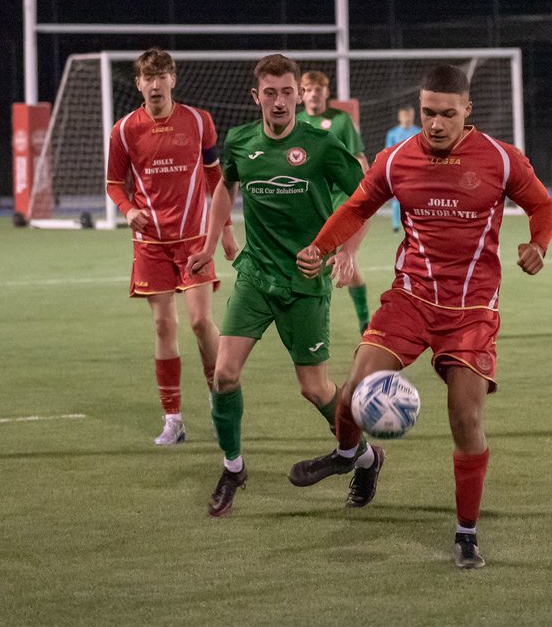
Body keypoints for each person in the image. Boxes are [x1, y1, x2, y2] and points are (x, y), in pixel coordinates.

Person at [293, 64, 552, 569]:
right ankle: (352, 457)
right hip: (411, 299)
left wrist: (538, 245)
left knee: (466, 416)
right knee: (350, 394)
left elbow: (543, 206)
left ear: (467, 112)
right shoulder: (397, 160)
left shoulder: (501, 159)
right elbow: (358, 205)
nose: (435, 124)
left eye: (447, 114)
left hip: (472, 309)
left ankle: (465, 533)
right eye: (427, 113)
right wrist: (321, 246)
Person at [187, 54, 380, 518]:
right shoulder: (240, 141)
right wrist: (211, 243)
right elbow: (223, 189)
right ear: (257, 97)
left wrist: (347, 252)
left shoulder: (321, 143)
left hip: (305, 281)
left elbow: (365, 197)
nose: (278, 101)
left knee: (315, 389)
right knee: (224, 374)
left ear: (299, 95)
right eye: (269, 93)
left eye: (286, 92)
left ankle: (368, 458)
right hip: (256, 275)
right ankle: (233, 467)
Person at [106, 48, 237, 447]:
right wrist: (127, 211)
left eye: (163, 75)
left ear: (173, 80)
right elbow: (114, 183)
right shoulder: (125, 130)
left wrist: (227, 232)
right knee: (164, 325)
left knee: (200, 323)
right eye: (149, 76)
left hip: (195, 238)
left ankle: (221, 405)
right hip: (151, 242)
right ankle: (173, 419)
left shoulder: (200, 121)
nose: (156, 82)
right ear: (139, 84)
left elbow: (216, 179)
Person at [298, 70, 372, 333]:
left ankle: (365, 321)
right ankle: (314, 321)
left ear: (326, 92)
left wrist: (363, 192)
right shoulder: (297, 122)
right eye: (308, 89)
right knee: (311, 263)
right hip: (311, 205)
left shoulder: (340, 120)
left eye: (318, 89)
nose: (313, 94)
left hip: (341, 203)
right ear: (301, 93)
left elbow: (359, 157)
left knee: (342, 259)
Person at [383, 105, 421, 233]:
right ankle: (396, 225)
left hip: (415, 172)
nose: (407, 118)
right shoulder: (392, 133)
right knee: (397, 199)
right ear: (400, 117)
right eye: (404, 115)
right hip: (398, 171)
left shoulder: (419, 132)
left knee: (415, 198)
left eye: (409, 115)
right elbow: (388, 152)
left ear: (413, 116)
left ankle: (415, 222)